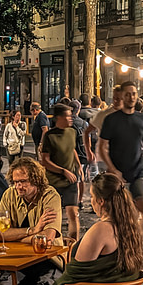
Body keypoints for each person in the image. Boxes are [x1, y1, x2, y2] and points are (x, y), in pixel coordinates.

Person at [97, 81, 143, 235]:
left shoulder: (142, 119)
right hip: (118, 176)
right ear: (123, 96)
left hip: (139, 172)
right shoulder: (111, 120)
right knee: (119, 216)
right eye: (128, 94)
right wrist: (112, 169)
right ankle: (118, 244)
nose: (131, 97)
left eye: (134, 94)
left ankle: (138, 240)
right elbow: (102, 146)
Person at [0, 158, 62, 244]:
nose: (18, 187)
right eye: (16, 182)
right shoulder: (10, 194)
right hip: (16, 252)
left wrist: (16, 239)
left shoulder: (50, 196)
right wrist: (32, 230)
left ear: (36, 180)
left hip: (48, 253)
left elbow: (46, 238)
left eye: (23, 181)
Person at [40, 103, 82, 242]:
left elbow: (72, 149)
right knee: (52, 216)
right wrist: (63, 171)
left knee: (73, 214)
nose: (71, 118)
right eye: (68, 116)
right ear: (59, 118)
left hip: (70, 181)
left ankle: (73, 246)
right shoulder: (49, 136)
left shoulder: (72, 132)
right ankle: (51, 243)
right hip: (53, 182)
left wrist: (78, 165)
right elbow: (45, 160)